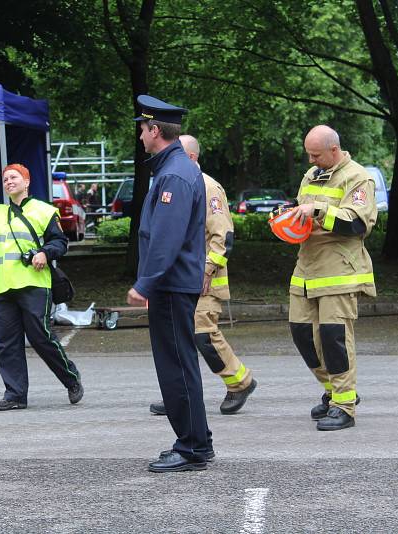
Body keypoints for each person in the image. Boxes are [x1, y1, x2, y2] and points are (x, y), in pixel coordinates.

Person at [126, 95, 212, 472]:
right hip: (175, 284)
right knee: (179, 363)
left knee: (176, 365)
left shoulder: (174, 173)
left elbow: (166, 237)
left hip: (171, 285)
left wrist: (145, 283)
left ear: (155, 130)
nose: (141, 137)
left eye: (142, 129)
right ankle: (196, 441)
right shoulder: (174, 167)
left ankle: (193, 446)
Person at [0, 163, 83, 410]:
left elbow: (60, 242)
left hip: (33, 284)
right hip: (2, 287)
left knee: (41, 337)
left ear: (27, 182)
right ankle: (15, 395)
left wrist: (45, 254)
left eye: (14, 177)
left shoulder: (44, 211)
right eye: (5, 179)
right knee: (6, 341)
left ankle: (71, 379)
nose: (9, 181)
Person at [149, 135, 257, 417]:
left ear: (192, 158)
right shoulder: (179, 181)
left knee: (203, 335)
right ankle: (179, 394)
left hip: (203, 281)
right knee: (180, 337)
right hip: (183, 279)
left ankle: (240, 382)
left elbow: (223, 235)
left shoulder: (208, 187)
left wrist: (207, 269)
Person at [285, 125, 376, 431]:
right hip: (306, 267)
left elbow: (358, 224)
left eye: (316, 154)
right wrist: (289, 214)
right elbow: (302, 211)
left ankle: (345, 406)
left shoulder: (357, 176)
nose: (311, 161)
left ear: (334, 150)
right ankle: (333, 390)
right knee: (301, 333)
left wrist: (318, 210)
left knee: (334, 338)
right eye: (309, 154)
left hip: (339, 270)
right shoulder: (312, 175)